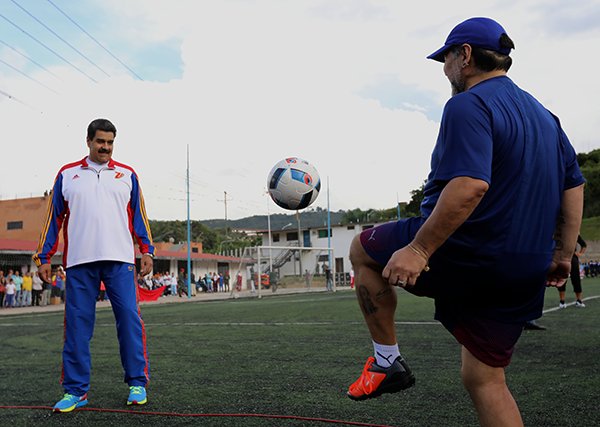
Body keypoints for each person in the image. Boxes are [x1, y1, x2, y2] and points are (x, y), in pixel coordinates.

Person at [346, 18, 585, 427]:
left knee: (361, 250)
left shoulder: (467, 104)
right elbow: (573, 187)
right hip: (525, 266)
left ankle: (387, 362)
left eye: (446, 59)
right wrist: (563, 255)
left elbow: (471, 185)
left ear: (466, 56)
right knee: (485, 378)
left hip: (466, 251)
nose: (444, 69)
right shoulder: (547, 117)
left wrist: (419, 249)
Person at [33, 118, 155, 413]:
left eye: (110, 142)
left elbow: (139, 216)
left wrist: (146, 250)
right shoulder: (67, 174)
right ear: (88, 141)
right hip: (79, 263)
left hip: (121, 261)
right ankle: (75, 391)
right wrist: (44, 257)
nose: (106, 147)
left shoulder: (127, 174)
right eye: (101, 141)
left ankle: (136, 383)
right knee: (76, 327)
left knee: (129, 320)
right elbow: (53, 220)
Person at [558, 235, 587, 308]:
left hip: (572, 258)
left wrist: (579, 253)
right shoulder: (558, 234)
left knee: (576, 279)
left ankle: (579, 300)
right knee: (562, 278)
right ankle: (562, 301)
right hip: (562, 257)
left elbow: (583, 245)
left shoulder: (574, 233)